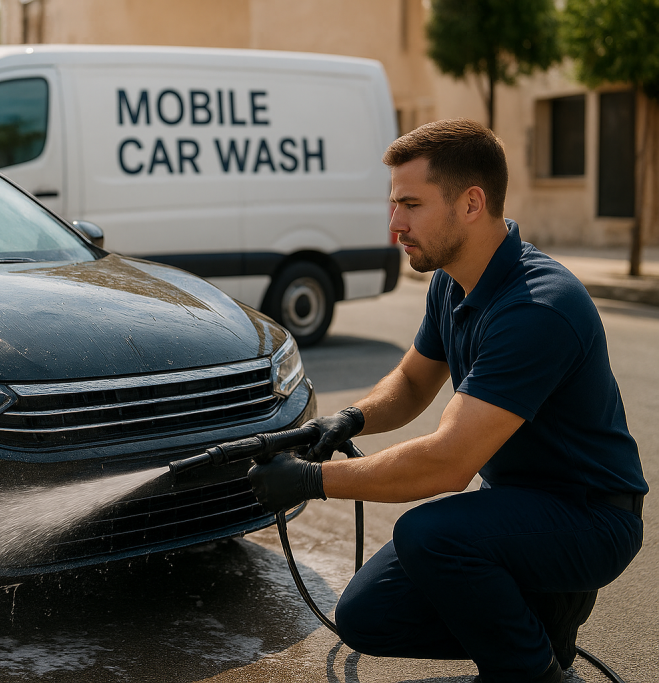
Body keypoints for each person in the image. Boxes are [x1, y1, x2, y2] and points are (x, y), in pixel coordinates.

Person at [248, 118, 647, 683]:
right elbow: (412, 383)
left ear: (471, 203)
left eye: (411, 203)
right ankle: (537, 625)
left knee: (429, 535)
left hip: (589, 518)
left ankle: (534, 671)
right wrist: (350, 421)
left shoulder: (537, 306)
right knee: (366, 617)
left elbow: (449, 463)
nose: (395, 224)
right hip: (517, 505)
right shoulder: (452, 281)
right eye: (393, 204)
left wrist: (313, 482)